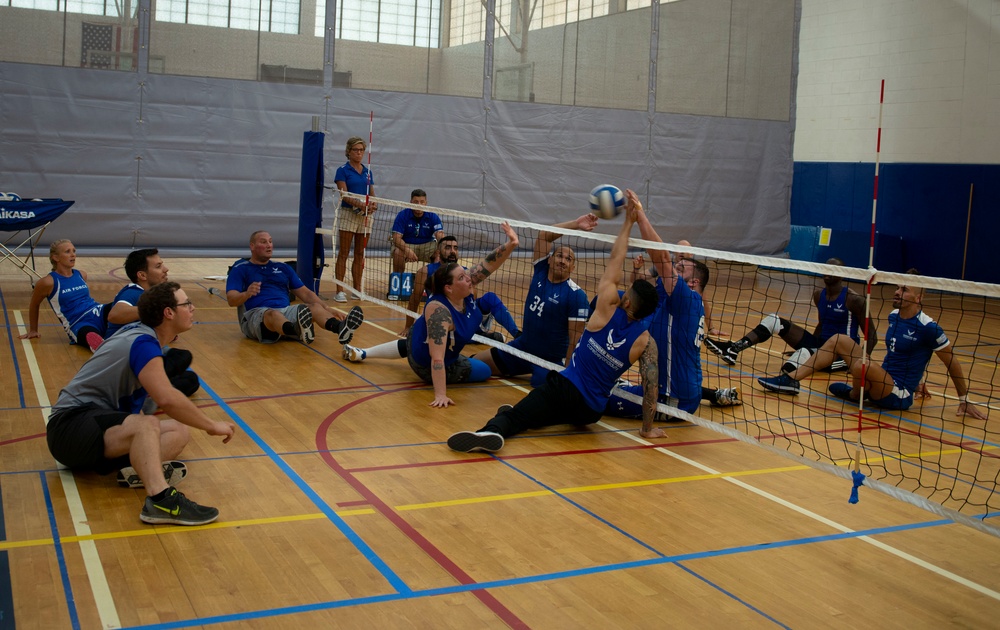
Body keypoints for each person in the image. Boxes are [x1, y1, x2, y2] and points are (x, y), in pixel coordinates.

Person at [447, 192, 662, 453]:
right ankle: (527, 412)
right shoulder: (645, 341)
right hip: (591, 410)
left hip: (565, 386)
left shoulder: (605, 308)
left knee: (521, 415)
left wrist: (628, 223)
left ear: (626, 303)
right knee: (542, 411)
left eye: (624, 294)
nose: (621, 293)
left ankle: (490, 431)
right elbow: (651, 385)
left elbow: (616, 259)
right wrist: (647, 428)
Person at [46, 282, 236, 526]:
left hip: (97, 432)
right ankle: (161, 500)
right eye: (186, 303)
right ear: (168, 312)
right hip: (69, 430)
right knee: (146, 425)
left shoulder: (146, 337)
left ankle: (137, 472)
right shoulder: (142, 342)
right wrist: (211, 425)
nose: (193, 307)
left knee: (178, 430)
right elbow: (166, 397)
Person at [757, 271, 988, 419]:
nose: (897, 291)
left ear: (918, 298)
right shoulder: (895, 315)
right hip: (883, 379)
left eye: (904, 289)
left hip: (899, 394)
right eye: (898, 287)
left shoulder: (929, 327)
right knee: (839, 340)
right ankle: (791, 380)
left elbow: (952, 362)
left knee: (861, 367)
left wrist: (964, 400)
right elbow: (902, 352)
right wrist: (921, 380)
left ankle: (856, 394)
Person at [604, 197, 739, 424]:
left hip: (672, 401)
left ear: (694, 282)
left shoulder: (687, 299)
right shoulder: (670, 298)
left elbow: (662, 258)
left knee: (594, 395)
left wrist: (640, 216)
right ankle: (714, 394)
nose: (677, 265)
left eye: (682, 266)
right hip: (677, 392)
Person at [468, 212, 595, 388]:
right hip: (522, 349)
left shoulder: (576, 295)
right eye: (559, 256)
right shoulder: (541, 271)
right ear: (549, 259)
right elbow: (544, 236)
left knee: (539, 384)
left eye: (569, 259)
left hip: (549, 360)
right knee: (472, 365)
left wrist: (569, 376)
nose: (563, 261)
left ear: (572, 267)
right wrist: (576, 224)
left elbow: (575, 341)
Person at [705, 257, 877, 374]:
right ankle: (733, 349)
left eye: (832, 269)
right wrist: (808, 344)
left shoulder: (854, 300)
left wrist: (859, 364)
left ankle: (788, 380)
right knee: (774, 320)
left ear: (842, 274)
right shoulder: (819, 295)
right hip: (821, 346)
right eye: (826, 267)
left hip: (841, 355)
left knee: (801, 355)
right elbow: (821, 325)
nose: (827, 271)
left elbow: (872, 336)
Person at [226, 231, 364, 345]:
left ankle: (340, 328)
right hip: (257, 316)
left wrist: (327, 308)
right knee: (273, 314)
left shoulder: (283, 268)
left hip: (285, 311)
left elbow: (305, 293)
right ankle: (296, 330)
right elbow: (231, 300)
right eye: (263, 242)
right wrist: (247, 294)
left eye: (270, 241)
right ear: (252, 246)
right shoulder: (241, 269)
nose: (269, 245)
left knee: (314, 307)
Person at [105, 248, 200, 398]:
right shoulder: (133, 292)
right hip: (125, 359)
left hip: (138, 353)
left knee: (189, 377)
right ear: (142, 275)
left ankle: (150, 389)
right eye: (158, 266)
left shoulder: (150, 295)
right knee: (182, 362)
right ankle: (145, 390)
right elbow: (114, 314)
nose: (165, 269)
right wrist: (154, 309)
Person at [394, 235, 520, 342]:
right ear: (438, 251)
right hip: (444, 320)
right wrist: (408, 327)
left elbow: (472, 302)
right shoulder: (426, 271)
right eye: (448, 248)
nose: (452, 251)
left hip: (467, 318)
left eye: (455, 248)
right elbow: (414, 300)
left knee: (490, 298)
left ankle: (517, 336)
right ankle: (478, 337)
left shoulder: (465, 273)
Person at [20, 239, 108, 352]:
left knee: (119, 305)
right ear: (55, 257)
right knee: (90, 335)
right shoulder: (48, 282)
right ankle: (103, 347)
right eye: (67, 252)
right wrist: (33, 330)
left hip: (97, 312)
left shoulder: (81, 274)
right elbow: (34, 305)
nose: (73, 255)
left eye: (74, 251)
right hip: (78, 323)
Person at [333, 136, 377, 303]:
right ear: (349, 151)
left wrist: (373, 205)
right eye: (355, 150)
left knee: (360, 253)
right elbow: (344, 194)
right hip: (348, 215)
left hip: (365, 217)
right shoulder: (342, 170)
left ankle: (357, 289)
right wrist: (360, 205)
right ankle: (339, 290)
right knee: (344, 252)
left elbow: (372, 194)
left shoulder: (367, 171)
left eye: (361, 150)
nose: (359, 153)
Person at [390, 189, 445, 274]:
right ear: (411, 202)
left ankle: (434, 283)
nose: (419, 205)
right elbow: (396, 238)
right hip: (407, 244)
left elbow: (440, 236)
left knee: (440, 253)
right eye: (416, 202)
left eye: (422, 202)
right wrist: (407, 250)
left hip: (427, 246)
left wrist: (439, 249)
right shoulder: (402, 215)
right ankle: (399, 282)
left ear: (426, 203)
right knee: (398, 252)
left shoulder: (432, 216)